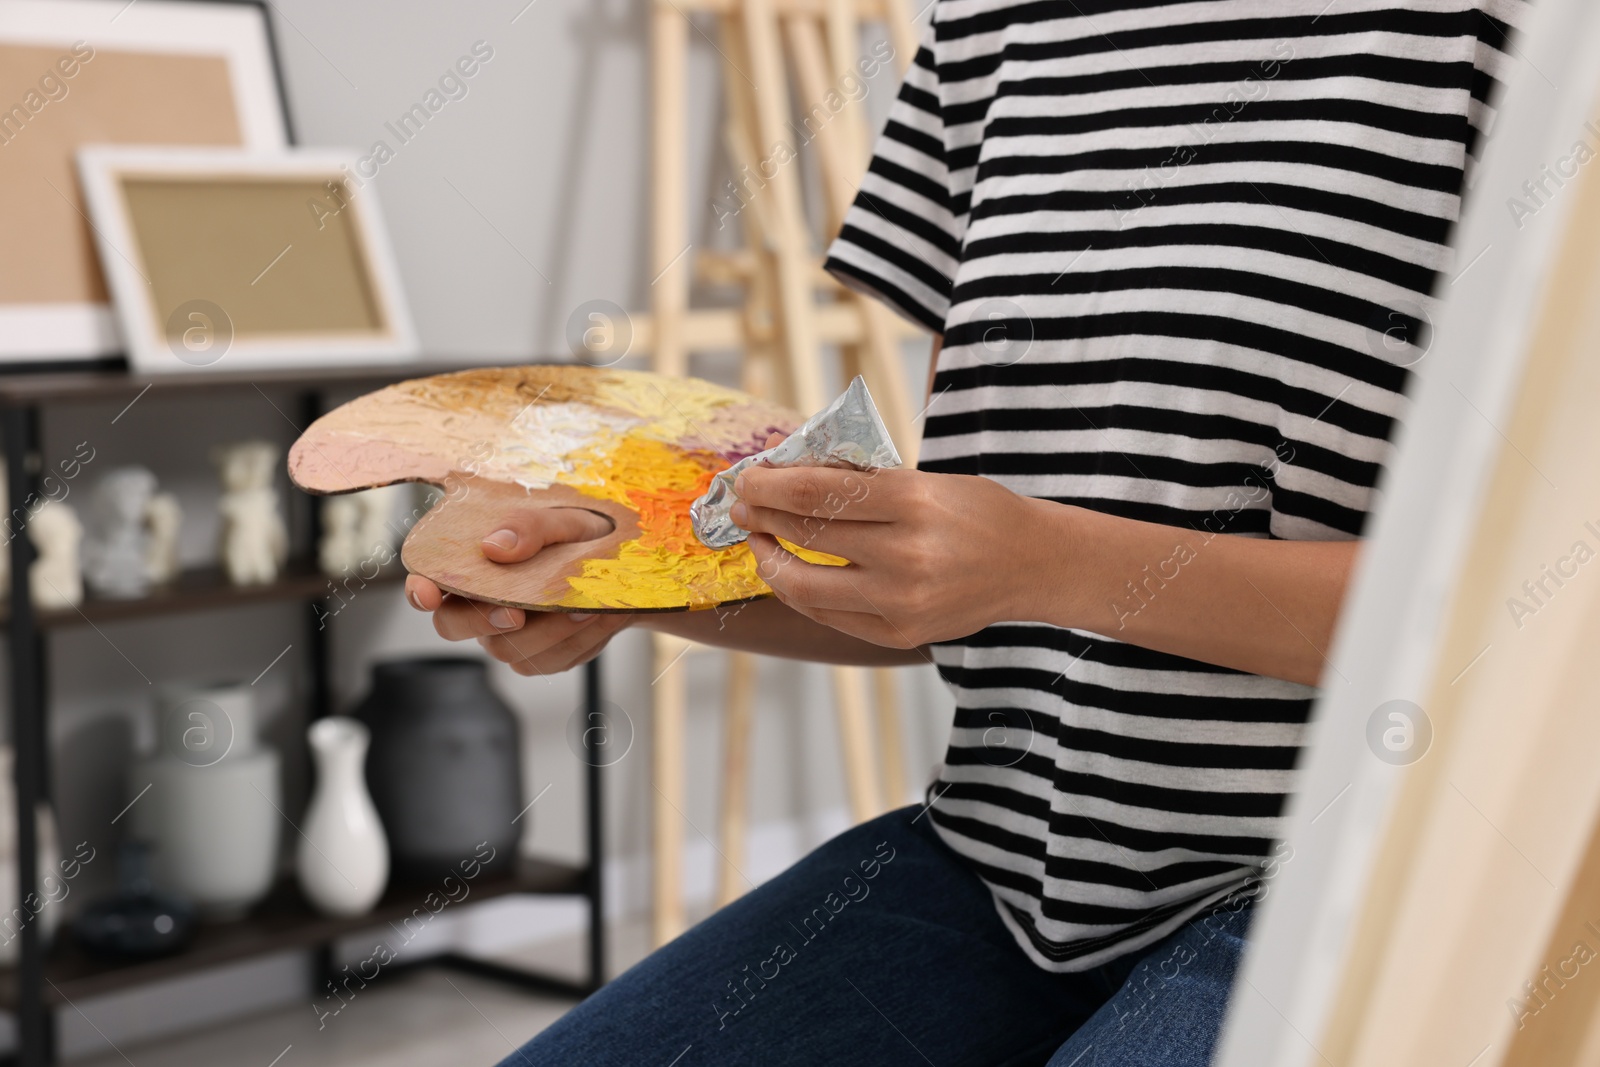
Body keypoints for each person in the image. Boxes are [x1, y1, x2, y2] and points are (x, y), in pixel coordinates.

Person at [408, 2, 1525, 1063]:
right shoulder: (996, 28)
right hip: (1005, 870)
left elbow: (1538, 618)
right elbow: (945, 592)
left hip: (1361, 883)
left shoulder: (1516, 38)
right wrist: (624, 570)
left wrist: (1051, 562)